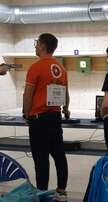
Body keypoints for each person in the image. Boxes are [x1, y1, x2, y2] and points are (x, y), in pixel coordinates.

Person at [22, 33, 70, 201]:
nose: (35, 46)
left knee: (41, 159)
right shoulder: (61, 68)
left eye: (36, 43)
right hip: (55, 117)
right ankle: (61, 190)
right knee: (59, 155)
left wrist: (25, 113)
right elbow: (66, 94)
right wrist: (66, 109)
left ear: (42, 45)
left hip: (39, 119)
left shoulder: (36, 67)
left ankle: (42, 193)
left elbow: (28, 94)